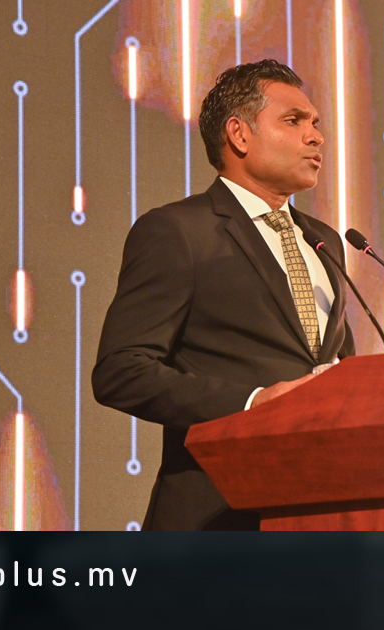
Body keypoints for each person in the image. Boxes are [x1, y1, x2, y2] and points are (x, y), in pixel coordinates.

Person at [92, 60, 354, 531]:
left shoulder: (326, 242)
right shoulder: (178, 232)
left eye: (316, 123)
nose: (316, 137)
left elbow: (337, 365)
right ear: (239, 134)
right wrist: (254, 402)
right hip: (216, 515)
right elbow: (121, 371)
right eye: (293, 121)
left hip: (318, 512)